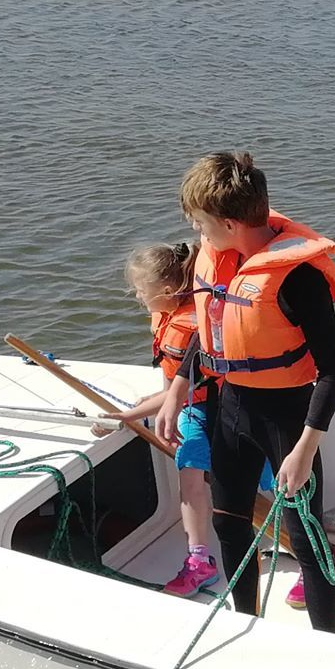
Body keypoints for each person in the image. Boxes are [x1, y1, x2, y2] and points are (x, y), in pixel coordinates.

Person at [160, 151, 335, 631]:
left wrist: (305, 450)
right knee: (228, 522)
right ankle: (245, 625)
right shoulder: (223, 260)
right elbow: (213, 326)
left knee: (306, 540)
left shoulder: (299, 279)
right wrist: (179, 385)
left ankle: (328, 646)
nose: (196, 232)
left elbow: (334, 369)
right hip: (230, 410)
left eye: (200, 223)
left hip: (286, 420)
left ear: (228, 223)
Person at [107, 240, 222, 596]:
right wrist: (157, 404)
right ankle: (199, 560)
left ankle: (291, 542)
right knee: (190, 480)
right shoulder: (165, 318)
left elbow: (181, 392)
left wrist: (127, 416)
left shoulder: (194, 328)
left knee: (257, 480)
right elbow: (170, 385)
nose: (138, 297)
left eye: (141, 291)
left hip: (217, 409)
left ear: (168, 292)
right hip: (189, 410)